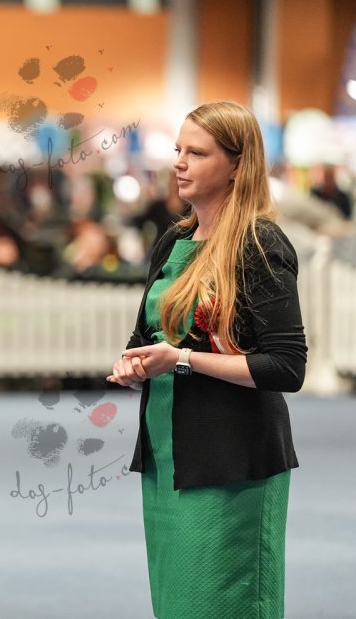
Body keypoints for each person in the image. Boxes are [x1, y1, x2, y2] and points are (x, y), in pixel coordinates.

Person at [108, 101, 306, 619]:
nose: (179, 162)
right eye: (179, 150)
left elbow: (287, 367)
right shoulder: (173, 239)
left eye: (197, 153)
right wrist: (134, 365)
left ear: (237, 164)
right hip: (167, 454)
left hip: (233, 462)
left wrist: (182, 360)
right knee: (176, 606)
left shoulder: (260, 244)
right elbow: (145, 337)